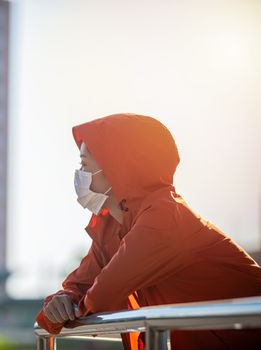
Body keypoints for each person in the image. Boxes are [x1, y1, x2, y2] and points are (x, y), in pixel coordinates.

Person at [35, 113, 261, 349]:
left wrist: (66, 312)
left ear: (117, 167)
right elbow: (80, 285)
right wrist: (62, 300)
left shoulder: (163, 217)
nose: (78, 174)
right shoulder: (113, 226)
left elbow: (101, 294)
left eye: (84, 165)